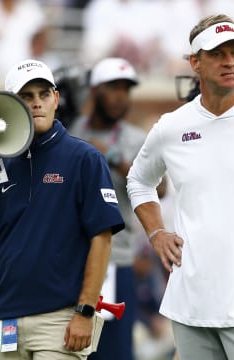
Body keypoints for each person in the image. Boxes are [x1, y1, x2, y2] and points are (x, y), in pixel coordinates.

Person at [127, 13, 234, 360]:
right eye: (218, 53)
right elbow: (139, 181)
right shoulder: (172, 126)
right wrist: (156, 232)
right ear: (195, 62)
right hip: (190, 310)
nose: (231, 61)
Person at [0, 58, 125, 359]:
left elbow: (102, 238)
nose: (37, 103)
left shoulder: (84, 158)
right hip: (3, 318)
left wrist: (84, 311)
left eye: (44, 95)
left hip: (60, 319)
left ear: (56, 99)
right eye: (26, 97)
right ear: (10, 106)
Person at [69, 57, 159, 360]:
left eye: (126, 88)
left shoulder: (135, 139)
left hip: (114, 259)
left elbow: (160, 188)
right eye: (112, 87)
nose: (120, 95)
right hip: (67, 258)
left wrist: (114, 157)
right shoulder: (70, 131)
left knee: (113, 350)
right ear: (94, 90)